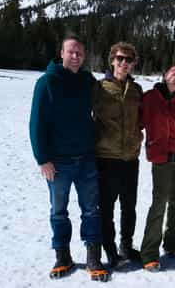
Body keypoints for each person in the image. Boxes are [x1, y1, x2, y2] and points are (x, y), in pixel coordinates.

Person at [29, 36, 109, 281]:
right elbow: (36, 124)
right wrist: (43, 159)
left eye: (80, 53)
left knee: (91, 211)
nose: (76, 56)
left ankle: (93, 257)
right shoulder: (46, 83)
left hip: (86, 158)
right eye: (71, 52)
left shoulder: (87, 81)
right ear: (61, 53)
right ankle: (62, 256)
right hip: (58, 162)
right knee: (59, 211)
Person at [139, 65, 175, 272]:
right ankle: (149, 254)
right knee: (158, 204)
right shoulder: (149, 98)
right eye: (174, 73)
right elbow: (136, 122)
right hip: (162, 159)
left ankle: (171, 245)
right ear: (165, 75)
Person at [92, 42, 143, 269]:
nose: (124, 63)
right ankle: (110, 250)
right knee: (107, 208)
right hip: (107, 157)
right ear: (112, 60)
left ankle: (126, 246)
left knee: (129, 207)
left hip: (131, 158)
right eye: (120, 58)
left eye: (129, 60)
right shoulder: (99, 88)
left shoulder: (137, 90)